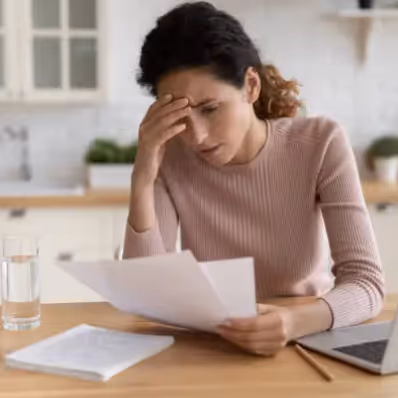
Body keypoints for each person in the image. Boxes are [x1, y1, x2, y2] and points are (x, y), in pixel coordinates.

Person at [123, 1, 384, 357]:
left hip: (305, 344)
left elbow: (367, 285)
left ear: (250, 86)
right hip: (215, 349)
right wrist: (142, 175)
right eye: (180, 116)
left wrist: (294, 323)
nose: (196, 136)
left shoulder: (320, 143)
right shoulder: (169, 158)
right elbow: (148, 296)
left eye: (210, 109)